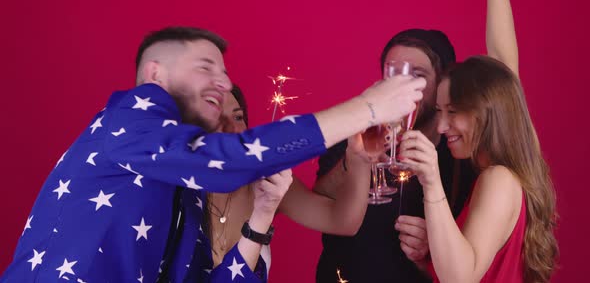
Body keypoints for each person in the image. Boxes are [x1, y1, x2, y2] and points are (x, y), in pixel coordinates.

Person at [1, 26, 425, 282]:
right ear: (155, 74)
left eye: (224, 72)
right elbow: (222, 160)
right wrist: (366, 108)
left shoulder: (186, 190)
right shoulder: (127, 120)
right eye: (206, 67)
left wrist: (260, 217)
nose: (222, 82)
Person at [398, 0, 558, 282]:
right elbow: (505, 72)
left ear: (488, 111)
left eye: (453, 113)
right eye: (440, 111)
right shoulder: (511, 165)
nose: (441, 127)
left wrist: (431, 181)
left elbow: (461, 279)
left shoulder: (499, 178)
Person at [314, 30, 475, 283]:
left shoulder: (460, 158)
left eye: (417, 76)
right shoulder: (354, 133)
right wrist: (355, 159)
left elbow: (468, 266)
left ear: (442, 85)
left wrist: (431, 251)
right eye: (394, 75)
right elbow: (320, 199)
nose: (402, 87)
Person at [188, 85, 376, 281]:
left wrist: (358, 157)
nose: (233, 130)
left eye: (238, 117)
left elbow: (343, 221)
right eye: (217, 119)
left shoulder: (266, 182)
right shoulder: (173, 189)